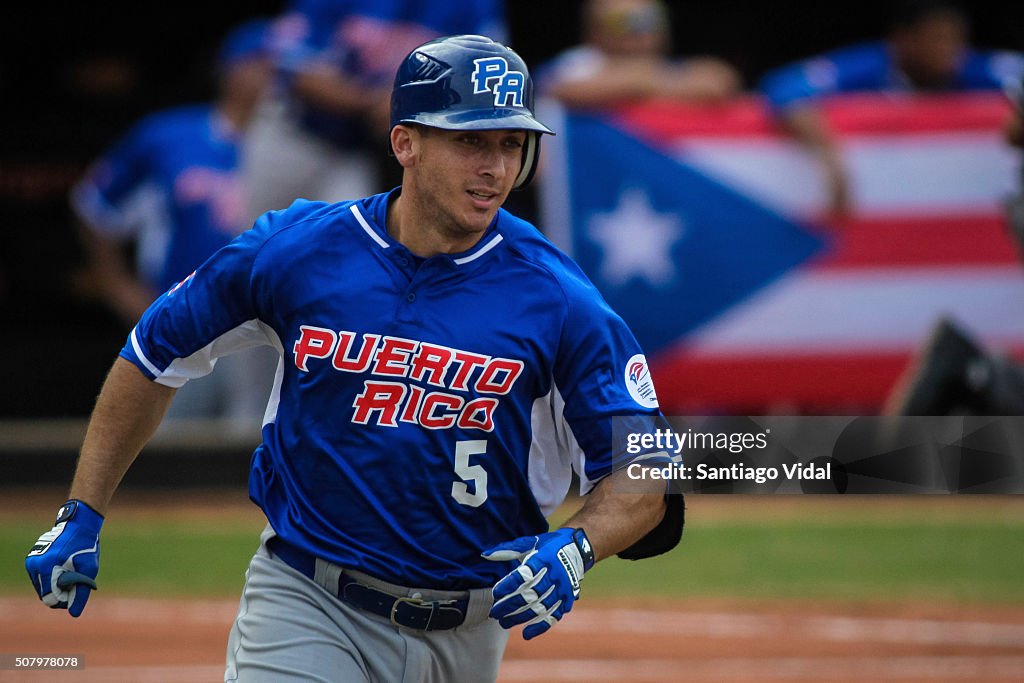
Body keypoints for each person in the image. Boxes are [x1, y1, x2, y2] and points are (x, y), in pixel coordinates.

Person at [26, 35, 682, 682]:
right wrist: (82, 510)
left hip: (472, 630)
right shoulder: (297, 249)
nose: (495, 168)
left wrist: (577, 547)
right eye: (471, 141)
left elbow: (647, 470)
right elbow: (153, 351)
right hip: (309, 601)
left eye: (512, 144)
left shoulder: (560, 298)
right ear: (406, 143)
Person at [70, 18, 279, 428]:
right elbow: (93, 205)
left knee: (255, 449)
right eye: (263, 63)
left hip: (268, 331)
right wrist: (119, 288)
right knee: (161, 448)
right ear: (230, 68)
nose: (275, 76)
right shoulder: (168, 136)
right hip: (184, 319)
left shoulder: (303, 155)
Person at [242, 0, 508, 230]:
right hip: (294, 136)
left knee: (342, 249)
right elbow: (297, 70)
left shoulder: (470, 5)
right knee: (253, 245)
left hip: (359, 155)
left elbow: (487, 75)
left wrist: (405, 101)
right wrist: (385, 101)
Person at [758, 0, 1024, 219]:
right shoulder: (869, 65)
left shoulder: (972, 66)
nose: (950, 51)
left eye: (957, 40)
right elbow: (785, 87)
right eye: (938, 39)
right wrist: (831, 158)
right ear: (904, 40)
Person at [538, 0, 741, 108]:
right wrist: (643, 83)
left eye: (650, 19)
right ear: (595, 31)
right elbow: (556, 89)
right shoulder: (579, 63)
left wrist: (646, 83)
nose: (641, 31)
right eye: (623, 21)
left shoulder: (667, 68)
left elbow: (720, 81)